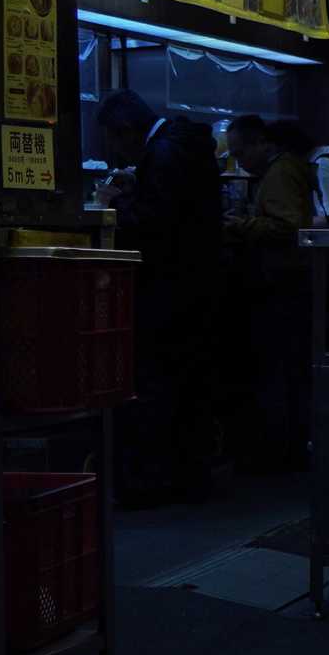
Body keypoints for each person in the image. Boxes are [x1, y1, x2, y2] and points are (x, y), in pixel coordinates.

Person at [97, 88, 222, 504]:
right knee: (187, 383)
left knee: (156, 383)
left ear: (127, 130)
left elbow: (158, 222)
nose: (114, 150)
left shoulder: (164, 153)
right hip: (196, 286)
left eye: (113, 140)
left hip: (169, 289)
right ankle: (188, 474)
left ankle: (152, 481)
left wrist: (116, 206)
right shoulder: (184, 143)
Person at [223, 114, 316, 469]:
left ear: (263, 143)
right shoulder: (290, 168)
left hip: (282, 282)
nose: (239, 161)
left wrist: (242, 225)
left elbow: (287, 226)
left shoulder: (279, 173)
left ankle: (279, 451)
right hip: (292, 281)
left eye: (241, 152)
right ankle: (287, 447)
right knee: (288, 370)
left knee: (279, 370)